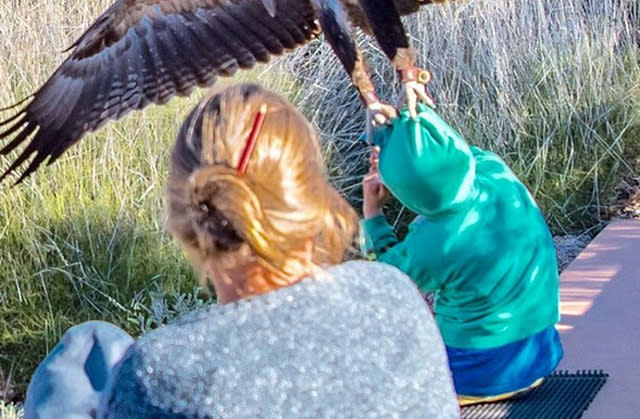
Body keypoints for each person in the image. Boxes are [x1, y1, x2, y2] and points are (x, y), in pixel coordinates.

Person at [24, 83, 460, 419]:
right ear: (313, 198)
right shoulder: (393, 299)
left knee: (85, 355)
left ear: (183, 219)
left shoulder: (162, 375)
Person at [361, 104, 564, 406]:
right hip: (540, 356)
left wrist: (372, 213)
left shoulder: (436, 242)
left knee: (371, 373)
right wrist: (405, 131)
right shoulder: (493, 169)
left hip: (478, 374)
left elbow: (384, 282)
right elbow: (445, 154)